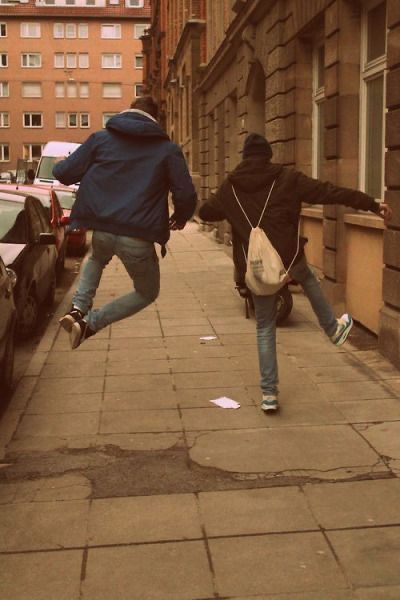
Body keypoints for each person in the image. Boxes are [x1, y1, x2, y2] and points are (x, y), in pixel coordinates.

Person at [198, 133, 392, 413]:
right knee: (309, 277)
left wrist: (232, 212)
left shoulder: (230, 187)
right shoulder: (287, 178)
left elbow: (205, 212)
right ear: (268, 155)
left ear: (244, 158)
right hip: (287, 259)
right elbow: (329, 192)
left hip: (257, 268)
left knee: (264, 328)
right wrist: (371, 204)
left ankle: (269, 395)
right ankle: (333, 329)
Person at [53, 95, 197, 349]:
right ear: (155, 119)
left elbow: (64, 173)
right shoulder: (167, 149)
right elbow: (185, 194)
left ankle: (77, 309)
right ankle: (90, 324)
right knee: (146, 292)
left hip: (104, 228)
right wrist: (181, 217)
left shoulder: (101, 139)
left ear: (128, 112)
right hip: (138, 236)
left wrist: (59, 165)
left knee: (97, 257)